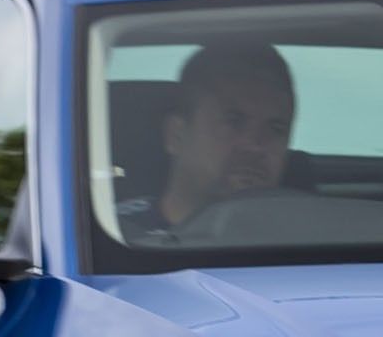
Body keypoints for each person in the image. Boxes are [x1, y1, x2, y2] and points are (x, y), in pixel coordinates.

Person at [122, 41, 295, 242]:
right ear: (176, 135)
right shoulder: (115, 235)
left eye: (276, 129)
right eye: (234, 121)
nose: (255, 145)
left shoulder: (305, 242)